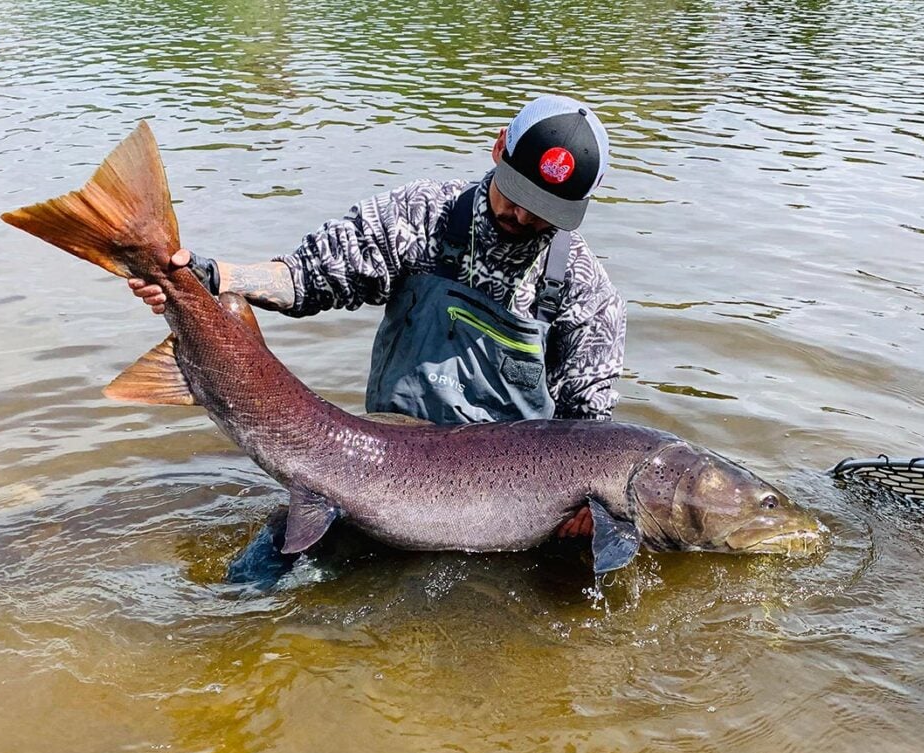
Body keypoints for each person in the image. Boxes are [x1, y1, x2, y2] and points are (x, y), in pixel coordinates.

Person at [131, 95, 626, 538]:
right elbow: (308, 277)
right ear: (499, 148)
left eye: (546, 210)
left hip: (507, 512)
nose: (522, 217)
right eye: (515, 194)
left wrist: (591, 514)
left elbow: (589, 434)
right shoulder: (419, 216)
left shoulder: (587, 291)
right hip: (373, 468)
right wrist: (213, 277)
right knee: (257, 581)